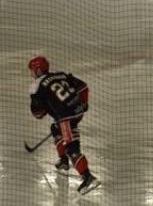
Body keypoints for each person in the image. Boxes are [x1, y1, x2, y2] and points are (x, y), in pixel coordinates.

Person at [28, 55, 100, 195]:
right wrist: (83, 104)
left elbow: (38, 114)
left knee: (71, 148)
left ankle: (88, 178)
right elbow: (83, 87)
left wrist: (46, 107)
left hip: (66, 118)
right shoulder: (61, 75)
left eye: (32, 70)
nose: (31, 73)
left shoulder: (36, 87)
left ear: (37, 71)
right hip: (78, 112)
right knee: (55, 128)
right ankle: (63, 162)